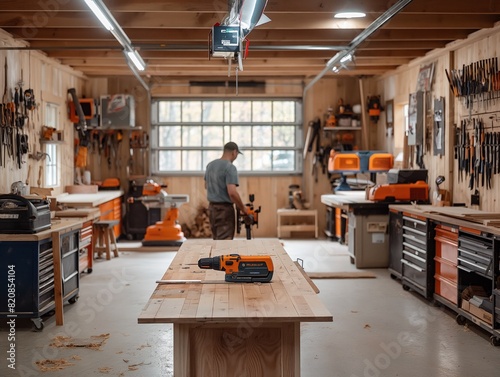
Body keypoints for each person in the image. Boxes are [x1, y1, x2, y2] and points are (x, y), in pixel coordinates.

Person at [204, 141, 251, 240]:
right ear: (234, 152)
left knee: (216, 240)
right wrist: (243, 209)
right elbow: (232, 193)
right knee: (225, 243)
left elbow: (206, 186)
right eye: (237, 154)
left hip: (212, 209)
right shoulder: (230, 168)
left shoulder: (210, 166)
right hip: (224, 210)